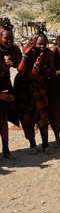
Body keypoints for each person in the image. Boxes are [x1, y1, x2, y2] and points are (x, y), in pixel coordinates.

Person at [14, 24, 56, 154]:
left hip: (40, 88)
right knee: (27, 118)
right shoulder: (28, 52)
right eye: (39, 44)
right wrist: (25, 56)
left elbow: (52, 72)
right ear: (34, 43)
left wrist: (42, 68)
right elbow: (21, 71)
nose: (42, 47)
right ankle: (32, 144)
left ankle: (45, 144)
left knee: (43, 117)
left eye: (45, 44)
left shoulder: (49, 54)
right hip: (24, 88)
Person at [0, 18, 21, 160]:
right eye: (6, 38)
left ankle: (6, 150)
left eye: (11, 37)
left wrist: (25, 54)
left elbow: (21, 67)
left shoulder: (13, 49)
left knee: (3, 119)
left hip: (5, 87)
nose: (9, 40)